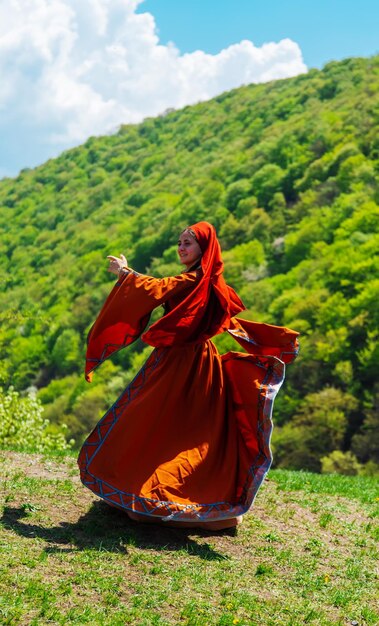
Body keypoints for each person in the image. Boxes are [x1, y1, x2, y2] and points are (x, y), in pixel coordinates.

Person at [78, 221, 299, 531]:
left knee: (154, 421)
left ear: (204, 249)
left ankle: (167, 502)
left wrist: (124, 273)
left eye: (188, 243)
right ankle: (160, 498)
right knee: (176, 428)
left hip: (183, 364)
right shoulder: (210, 281)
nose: (181, 248)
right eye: (180, 242)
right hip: (195, 361)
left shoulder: (195, 280)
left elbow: (157, 289)